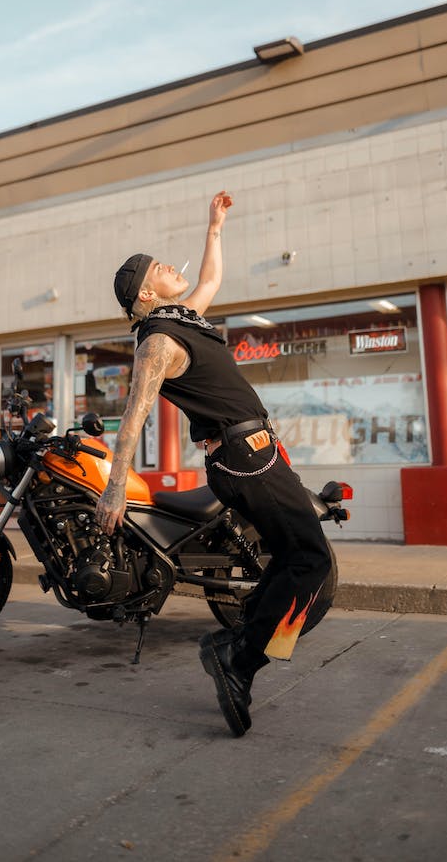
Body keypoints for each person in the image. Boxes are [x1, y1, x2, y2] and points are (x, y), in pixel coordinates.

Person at [95, 191, 332, 737]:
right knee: (310, 560)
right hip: (245, 459)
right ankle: (238, 657)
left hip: (257, 453)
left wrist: (214, 226)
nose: (170, 267)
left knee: (288, 561)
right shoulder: (157, 342)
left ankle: (238, 649)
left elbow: (209, 281)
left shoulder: (183, 321)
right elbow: (135, 415)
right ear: (147, 292)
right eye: (159, 267)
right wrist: (113, 487)